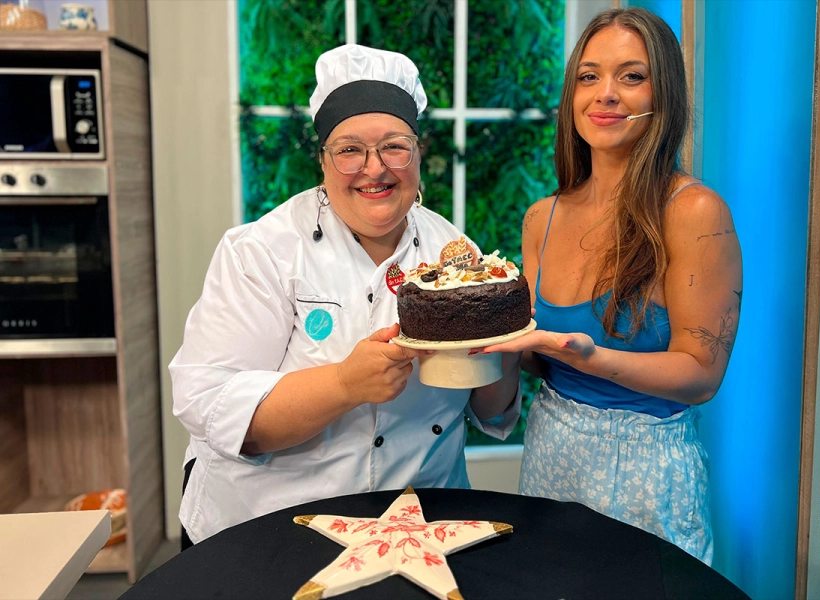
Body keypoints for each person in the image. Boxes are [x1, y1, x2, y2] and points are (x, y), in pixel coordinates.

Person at [170, 44, 522, 547]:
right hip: (270, 528)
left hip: (416, 528)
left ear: (418, 154)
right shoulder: (262, 252)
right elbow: (213, 410)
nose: (374, 168)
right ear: (323, 161)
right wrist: (343, 383)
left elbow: (491, 412)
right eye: (350, 149)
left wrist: (504, 344)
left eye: (395, 146)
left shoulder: (455, 257)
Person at [483, 7, 742, 565]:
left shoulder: (694, 211)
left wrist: (588, 356)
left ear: (663, 93)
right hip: (550, 454)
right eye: (588, 76)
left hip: (647, 470)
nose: (605, 94)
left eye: (631, 76)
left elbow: (701, 374)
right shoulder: (541, 217)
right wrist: (490, 344)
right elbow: (534, 355)